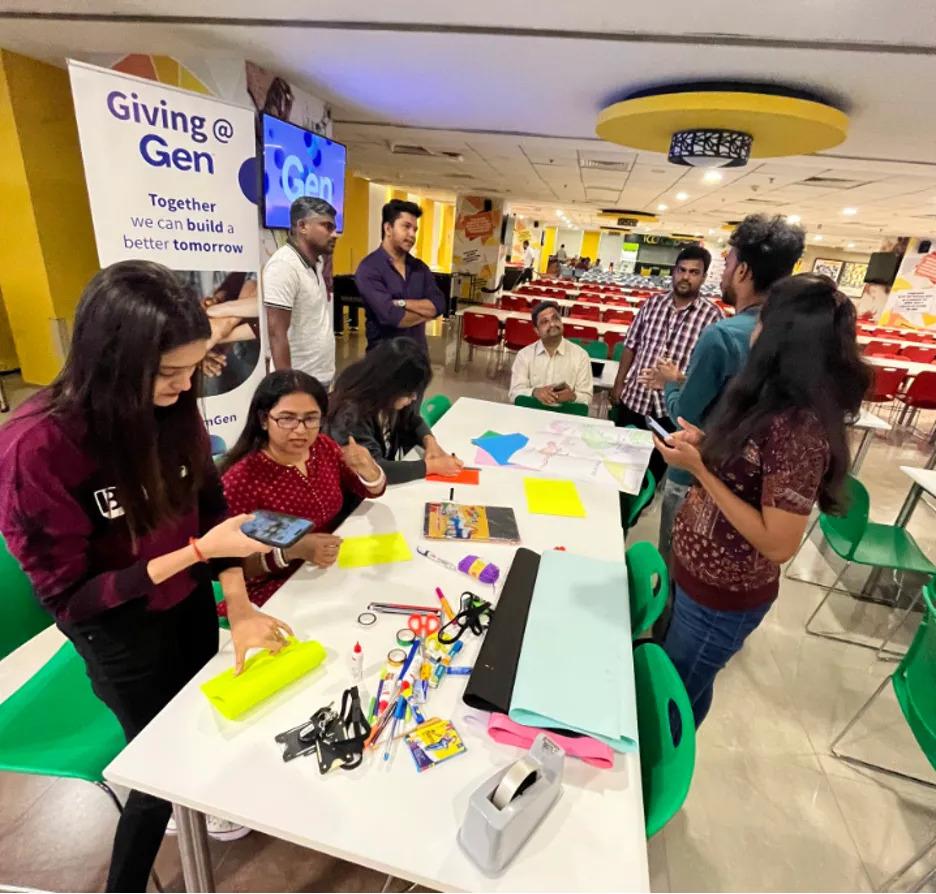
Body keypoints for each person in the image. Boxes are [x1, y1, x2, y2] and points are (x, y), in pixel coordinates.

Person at [0, 261, 292, 891]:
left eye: (192, 369)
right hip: (118, 628)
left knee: (203, 727)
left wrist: (237, 605)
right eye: (168, 373)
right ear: (111, 359)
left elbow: (211, 506)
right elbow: (72, 599)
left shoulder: (175, 404)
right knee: (160, 772)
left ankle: (197, 809)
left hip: (186, 603)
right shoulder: (38, 447)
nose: (187, 386)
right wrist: (192, 555)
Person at [653, 274, 870, 728]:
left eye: (762, 321)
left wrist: (699, 469)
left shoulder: (799, 428)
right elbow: (748, 471)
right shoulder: (768, 401)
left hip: (720, 601)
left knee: (669, 704)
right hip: (693, 579)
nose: (751, 329)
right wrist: (706, 444)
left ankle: (656, 790)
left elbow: (779, 543)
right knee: (682, 691)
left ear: (781, 339)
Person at [639, 215, 806, 565]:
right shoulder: (796, 337)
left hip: (700, 474)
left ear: (743, 271)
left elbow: (684, 415)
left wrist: (671, 383)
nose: (724, 272)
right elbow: (740, 398)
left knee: (677, 568)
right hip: (753, 492)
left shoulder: (724, 334)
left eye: (727, 263)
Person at [219, 370, 387, 608]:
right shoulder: (242, 480)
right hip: (273, 588)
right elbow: (227, 563)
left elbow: (368, 491)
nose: (300, 430)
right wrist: (291, 551)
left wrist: (369, 469)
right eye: (287, 418)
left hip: (326, 568)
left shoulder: (322, 447)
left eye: (311, 419)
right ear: (264, 420)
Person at [609, 244, 721, 484]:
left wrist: (676, 379)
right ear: (673, 271)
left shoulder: (713, 317)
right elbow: (631, 345)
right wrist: (619, 384)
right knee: (617, 465)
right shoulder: (652, 304)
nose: (685, 277)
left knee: (653, 471)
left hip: (671, 409)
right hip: (635, 400)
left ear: (703, 277)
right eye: (681, 270)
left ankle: (637, 507)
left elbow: (709, 373)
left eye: (694, 272)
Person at [326, 338, 464, 483]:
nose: (414, 398)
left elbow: (411, 419)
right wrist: (430, 466)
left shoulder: (389, 398)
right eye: (409, 393)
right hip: (357, 496)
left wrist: (429, 441)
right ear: (389, 385)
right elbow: (373, 469)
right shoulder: (351, 413)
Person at [355, 199, 447, 354]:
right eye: (406, 227)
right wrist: (426, 313)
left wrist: (401, 303)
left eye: (415, 229)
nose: (412, 234)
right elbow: (392, 317)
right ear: (388, 228)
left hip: (417, 360)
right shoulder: (369, 268)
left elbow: (439, 305)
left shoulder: (420, 268)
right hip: (383, 363)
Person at [264, 197, 338, 387]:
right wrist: (287, 388)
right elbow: (276, 333)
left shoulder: (317, 263)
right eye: (327, 226)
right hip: (298, 382)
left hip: (320, 377)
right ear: (302, 226)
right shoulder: (284, 266)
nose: (335, 234)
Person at [508, 301, 593, 407]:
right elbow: (514, 393)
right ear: (536, 331)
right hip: (532, 412)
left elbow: (587, 397)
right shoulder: (524, 355)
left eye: (555, 318)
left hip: (566, 416)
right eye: (544, 322)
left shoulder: (581, 356)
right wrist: (535, 392)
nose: (552, 324)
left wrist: (573, 396)